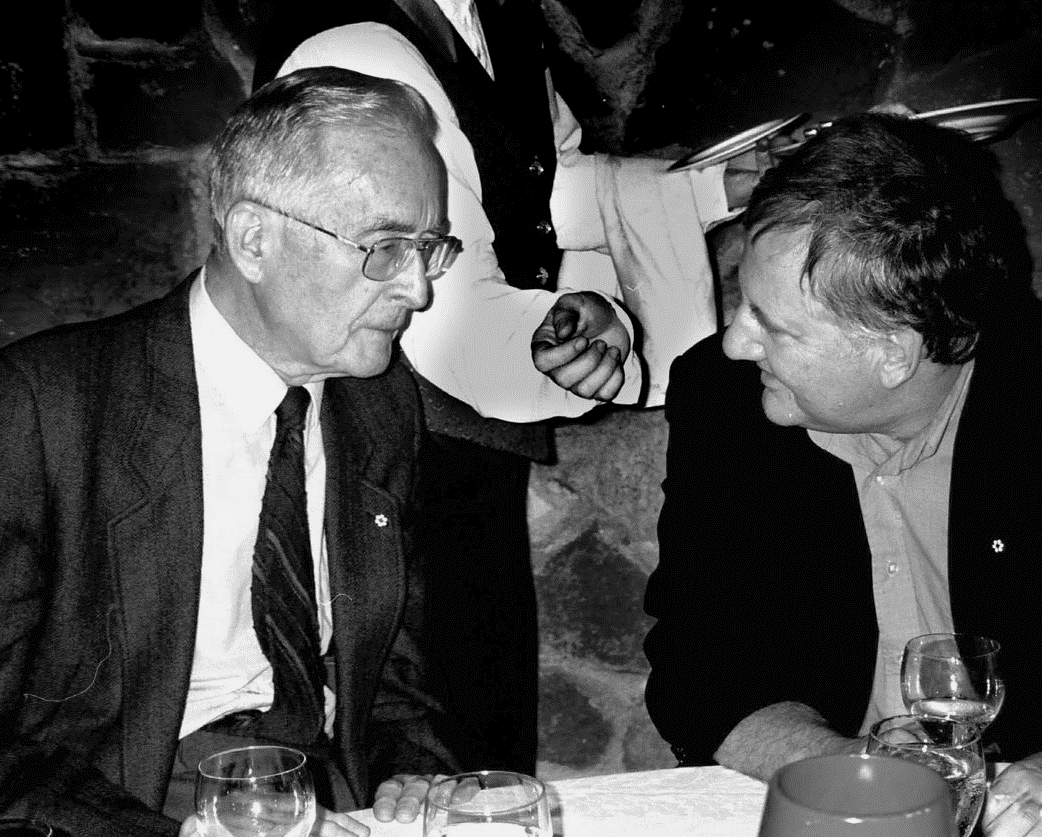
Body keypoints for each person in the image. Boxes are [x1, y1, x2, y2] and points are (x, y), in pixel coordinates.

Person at [643, 112, 1042, 837]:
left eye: (773, 324)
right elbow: (697, 662)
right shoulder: (725, 399)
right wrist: (865, 776)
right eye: (743, 302)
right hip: (818, 804)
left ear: (893, 352)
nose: (735, 342)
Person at [0, 66, 471, 836]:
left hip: (330, 798)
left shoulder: (379, 401)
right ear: (254, 239)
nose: (418, 290)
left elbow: (393, 681)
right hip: (118, 803)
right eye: (386, 247)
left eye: (429, 248)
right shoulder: (46, 404)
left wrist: (412, 775)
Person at [255, 0, 752, 774]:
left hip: (467, 436)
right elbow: (440, 298)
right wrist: (563, 348)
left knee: (485, 708)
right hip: (384, 440)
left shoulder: (497, 16)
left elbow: (542, 189)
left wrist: (721, 183)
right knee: (425, 727)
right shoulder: (352, 44)